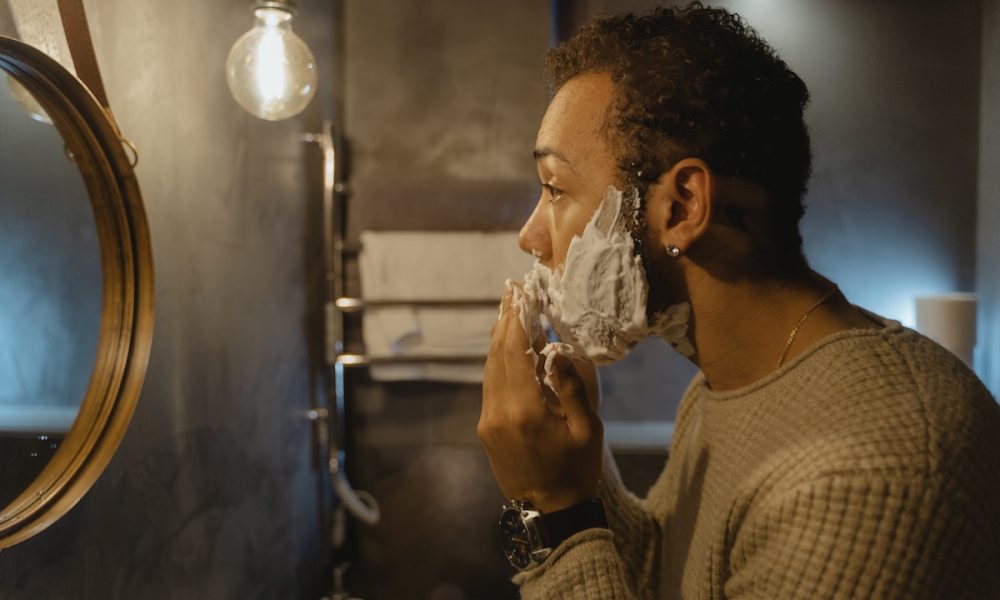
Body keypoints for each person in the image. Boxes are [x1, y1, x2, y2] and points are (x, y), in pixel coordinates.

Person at [477, 3, 1000, 599]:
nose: (529, 235)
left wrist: (555, 511)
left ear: (682, 208)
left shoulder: (868, 474)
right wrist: (574, 468)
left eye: (554, 189)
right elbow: (666, 579)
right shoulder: (727, 383)